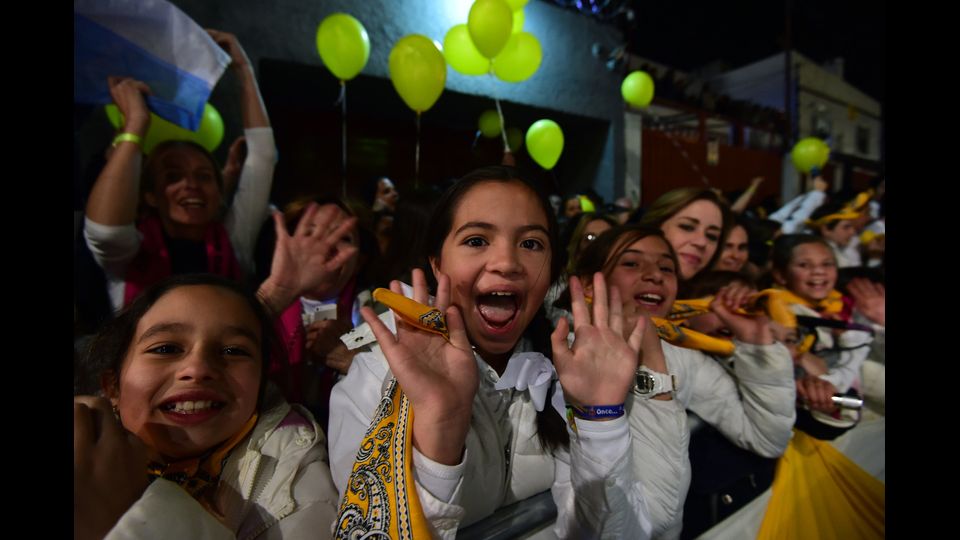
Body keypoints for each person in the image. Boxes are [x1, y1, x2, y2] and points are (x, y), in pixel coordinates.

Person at [328, 166, 652, 538]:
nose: (507, 263)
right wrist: (440, 435)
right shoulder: (376, 378)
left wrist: (600, 419)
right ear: (437, 263)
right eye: (477, 240)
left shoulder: (564, 369)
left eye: (531, 244)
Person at [563, 225, 796, 538]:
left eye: (666, 268)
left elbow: (768, 438)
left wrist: (757, 345)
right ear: (590, 285)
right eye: (632, 263)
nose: (655, 275)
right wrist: (652, 371)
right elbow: (647, 520)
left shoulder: (680, 356)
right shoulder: (560, 355)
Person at [74, 274, 339, 540]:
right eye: (166, 348)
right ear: (112, 387)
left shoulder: (295, 483)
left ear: (259, 383)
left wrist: (128, 515)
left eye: (233, 351)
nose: (198, 368)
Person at [84, 30, 275, 311]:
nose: (191, 184)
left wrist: (243, 69)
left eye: (204, 176)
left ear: (219, 192)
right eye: (173, 176)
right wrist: (136, 124)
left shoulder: (234, 243)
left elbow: (263, 156)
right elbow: (106, 234)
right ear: (150, 195)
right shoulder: (129, 253)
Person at [634, 187, 733, 285]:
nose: (701, 242)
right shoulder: (621, 289)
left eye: (712, 236)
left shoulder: (719, 297)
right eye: (687, 227)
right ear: (655, 227)